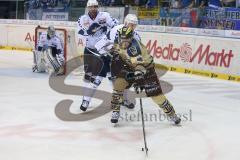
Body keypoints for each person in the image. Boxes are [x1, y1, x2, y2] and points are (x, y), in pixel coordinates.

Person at [109, 26, 181, 125]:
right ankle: (115, 111)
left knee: (156, 95)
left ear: (131, 38)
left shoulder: (135, 48)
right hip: (130, 67)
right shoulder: (119, 42)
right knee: (118, 85)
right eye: (122, 39)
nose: (124, 41)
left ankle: (172, 114)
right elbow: (116, 50)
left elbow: (139, 66)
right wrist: (112, 51)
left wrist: (138, 78)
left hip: (146, 69)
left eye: (126, 39)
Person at [77, 0, 119, 111]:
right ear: (87, 8)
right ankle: (86, 100)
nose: (93, 9)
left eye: (95, 6)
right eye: (91, 7)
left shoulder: (104, 16)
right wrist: (92, 30)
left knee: (111, 74)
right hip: (90, 49)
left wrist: (110, 30)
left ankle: (118, 98)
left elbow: (115, 25)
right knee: (88, 75)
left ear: (97, 7)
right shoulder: (82, 19)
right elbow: (80, 32)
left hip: (103, 50)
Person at [95, 14, 141, 109]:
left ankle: (123, 100)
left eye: (134, 25)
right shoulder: (116, 30)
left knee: (125, 80)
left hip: (121, 58)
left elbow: (137, 52)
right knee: (110, 80)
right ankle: (86, 101)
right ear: (125, 23)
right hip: (106, 55)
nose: (132, 27)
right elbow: (102, 44)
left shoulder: (136, 36)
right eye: (131, 24)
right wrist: (108, 50)